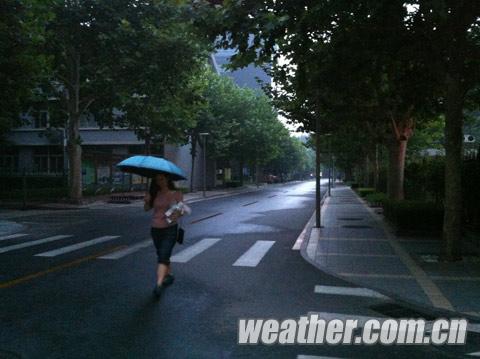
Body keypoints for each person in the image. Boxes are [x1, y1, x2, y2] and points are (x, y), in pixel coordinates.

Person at [144, 172, 184, 298]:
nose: (159, 182)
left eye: (161, 179)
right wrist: (147, 201)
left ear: (167, 179)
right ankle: (169, 275)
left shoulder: (176, 193)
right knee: (162, 254)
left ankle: (159, 284)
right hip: (155, 229)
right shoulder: (154, 193)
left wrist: (176, 212)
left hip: (170, 229)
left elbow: (182, 210)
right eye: (157, 180)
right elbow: (146, 209)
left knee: (163, 254)